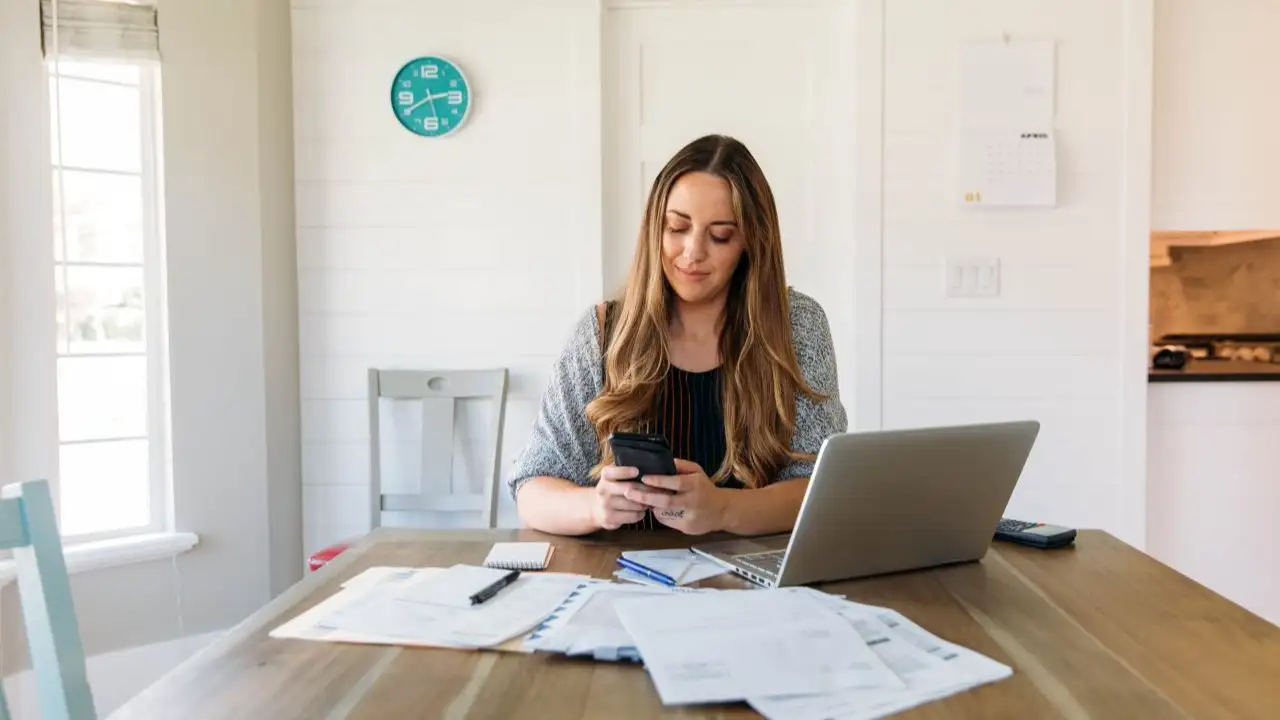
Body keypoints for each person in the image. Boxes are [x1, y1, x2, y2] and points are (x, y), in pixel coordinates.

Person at [507, 134, 847, 536]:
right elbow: (532, 489)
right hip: (622, 583)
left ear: (751, 242)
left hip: (753, 586)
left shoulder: (798, 327)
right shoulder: (602, 333)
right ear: (655, 228)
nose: (692, 252)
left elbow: (821, 490)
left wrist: (723, 510)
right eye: (676, 228)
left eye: (720, 235)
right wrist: (594, 507)